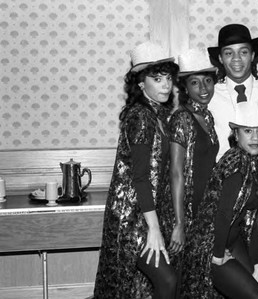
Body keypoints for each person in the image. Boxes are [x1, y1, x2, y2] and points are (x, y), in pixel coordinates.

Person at [94, 41, 179, 299]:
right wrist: (153, 229)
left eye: (168, 78)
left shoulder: (157, 114)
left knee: (147, 286)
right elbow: (140, 178)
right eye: (157, 79)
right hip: (133, 218)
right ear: (141, 83)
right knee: (167, 280)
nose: (166, 85)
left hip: (146, 212)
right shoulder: (141, 116)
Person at [182, 102, 258, 298]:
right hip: (210, 245)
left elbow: (251, 222)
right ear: (236, 134)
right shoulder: (236, 162)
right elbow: (223, 213)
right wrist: (217, 254)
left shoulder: (252, 164)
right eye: (248, 131)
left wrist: (255, 266)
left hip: (231, 241)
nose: (255, 138)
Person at [167, 48, 219, 260]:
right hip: (187, 208)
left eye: (207, 80)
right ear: (185, 88)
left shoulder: (207, 117)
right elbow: (176, 173)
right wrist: (180, 223)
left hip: (205, 206)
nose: (203, 88)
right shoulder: (182, 118)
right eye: (195, 82)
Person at [207, 23, 258, 163]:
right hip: (220, 176)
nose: (237, 59)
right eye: (229, 53)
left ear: (252, 55)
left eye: (243, 52)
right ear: (220, 58)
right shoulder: (209, 96)